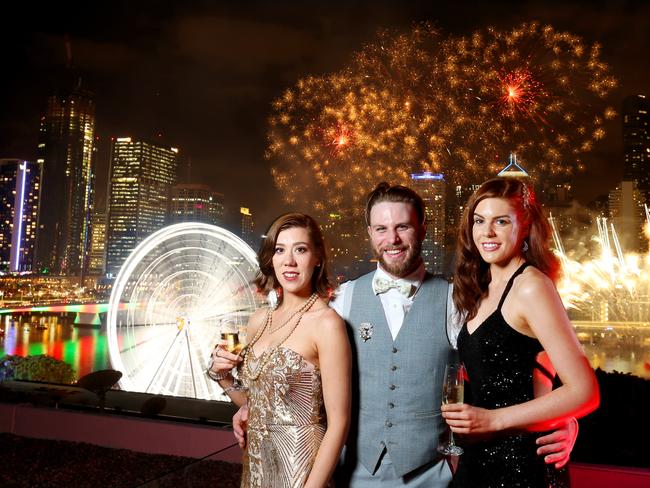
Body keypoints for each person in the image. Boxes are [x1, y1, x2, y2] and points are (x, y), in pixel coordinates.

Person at [233, 183, 579, 487]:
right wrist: (249, 404)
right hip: (354, 473)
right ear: (369, 232)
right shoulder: (344, 299)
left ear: (422, 229)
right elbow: (299, 373)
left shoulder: (456, 299)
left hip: (431, 478)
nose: (392, 239)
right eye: (381, 229)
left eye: (403, 227)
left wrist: (560, 418)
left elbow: (520, 354)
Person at [443, 177, 599, 487]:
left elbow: (585, 391)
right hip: (479, 461)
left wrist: (492, 420)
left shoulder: (531, 287)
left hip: (519, 466)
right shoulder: (481, 286)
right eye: (479, 221)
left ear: (525, 226)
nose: (486, 232)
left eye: (500, 221)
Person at [209, 212, 351, 488]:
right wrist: (221, 375)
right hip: (256, 469)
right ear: (270, 259)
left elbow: (339, 424)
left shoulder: (327, 324)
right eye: (280, 250)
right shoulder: (258, 321)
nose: (289, 261)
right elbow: (257, 405)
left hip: (302, 472)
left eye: (300, 249)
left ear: (317, 257)